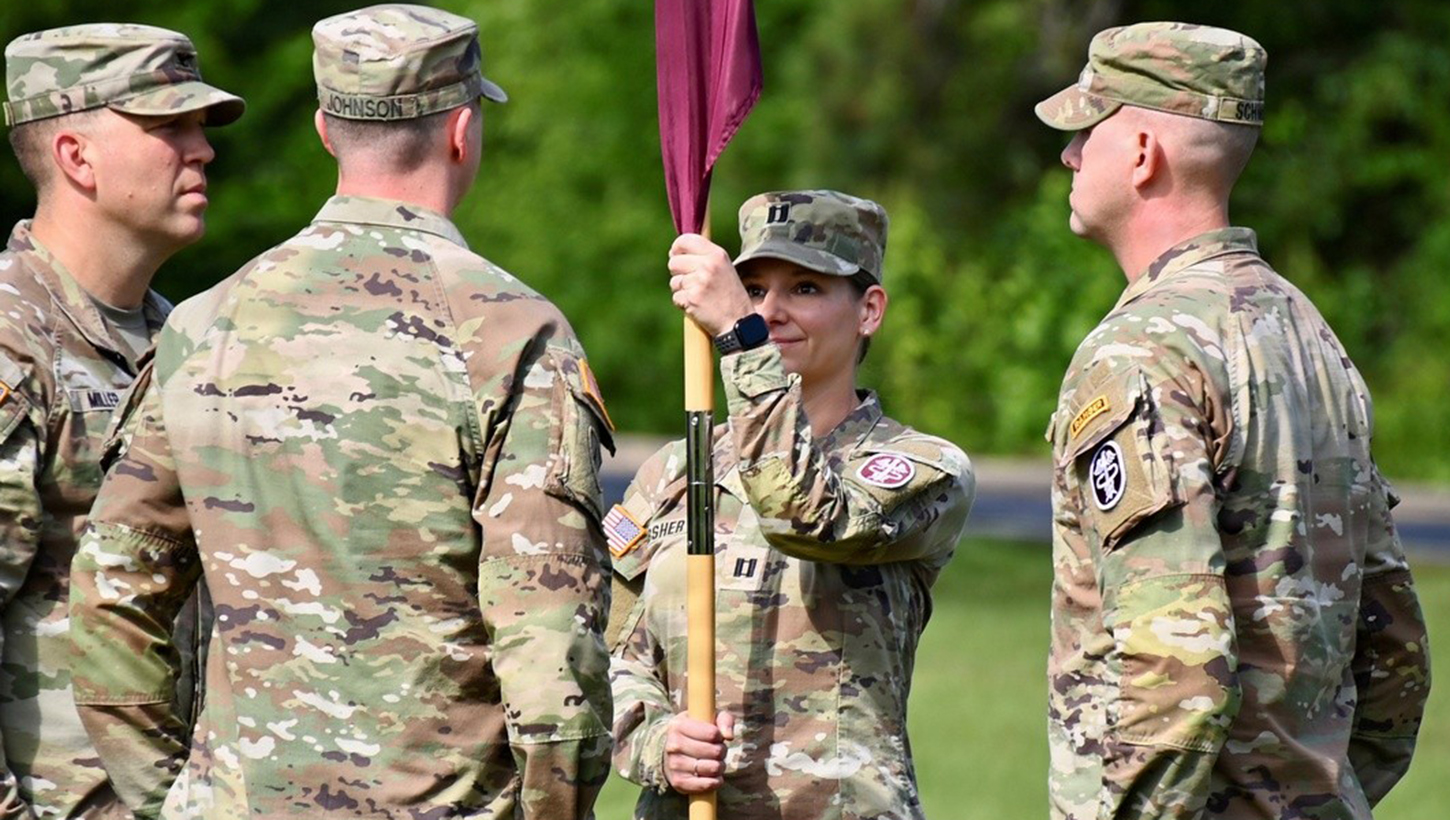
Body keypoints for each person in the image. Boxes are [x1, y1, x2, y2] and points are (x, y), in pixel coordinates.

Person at [66, 5, 613, 818]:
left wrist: (176, 797)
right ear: (463, 130)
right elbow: (550, 650)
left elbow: (112, 592)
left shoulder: (205, 324)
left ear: (326, 130)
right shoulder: (506, 329)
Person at [1035, 22, 1431, 820]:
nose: (1070, 155)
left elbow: (1174, 660)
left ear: (1143, 153)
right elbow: (1392, 642)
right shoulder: (1309, 333)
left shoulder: (1143, 350)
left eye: (1086, 130)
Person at [608, 190, 975, 819]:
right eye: (751, 290)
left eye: (805, 288)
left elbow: (806, 517)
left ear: (869, 311)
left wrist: (739, 340)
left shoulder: (923, 467)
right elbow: (605, 648)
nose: (771, 312)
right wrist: (653, 741)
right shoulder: (677, 471)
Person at [0, 24, 242, 818]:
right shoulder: (11, 342)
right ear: (77, 157)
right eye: (170, 126)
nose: (201, 151)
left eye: (200, 128)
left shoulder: (189, 343)